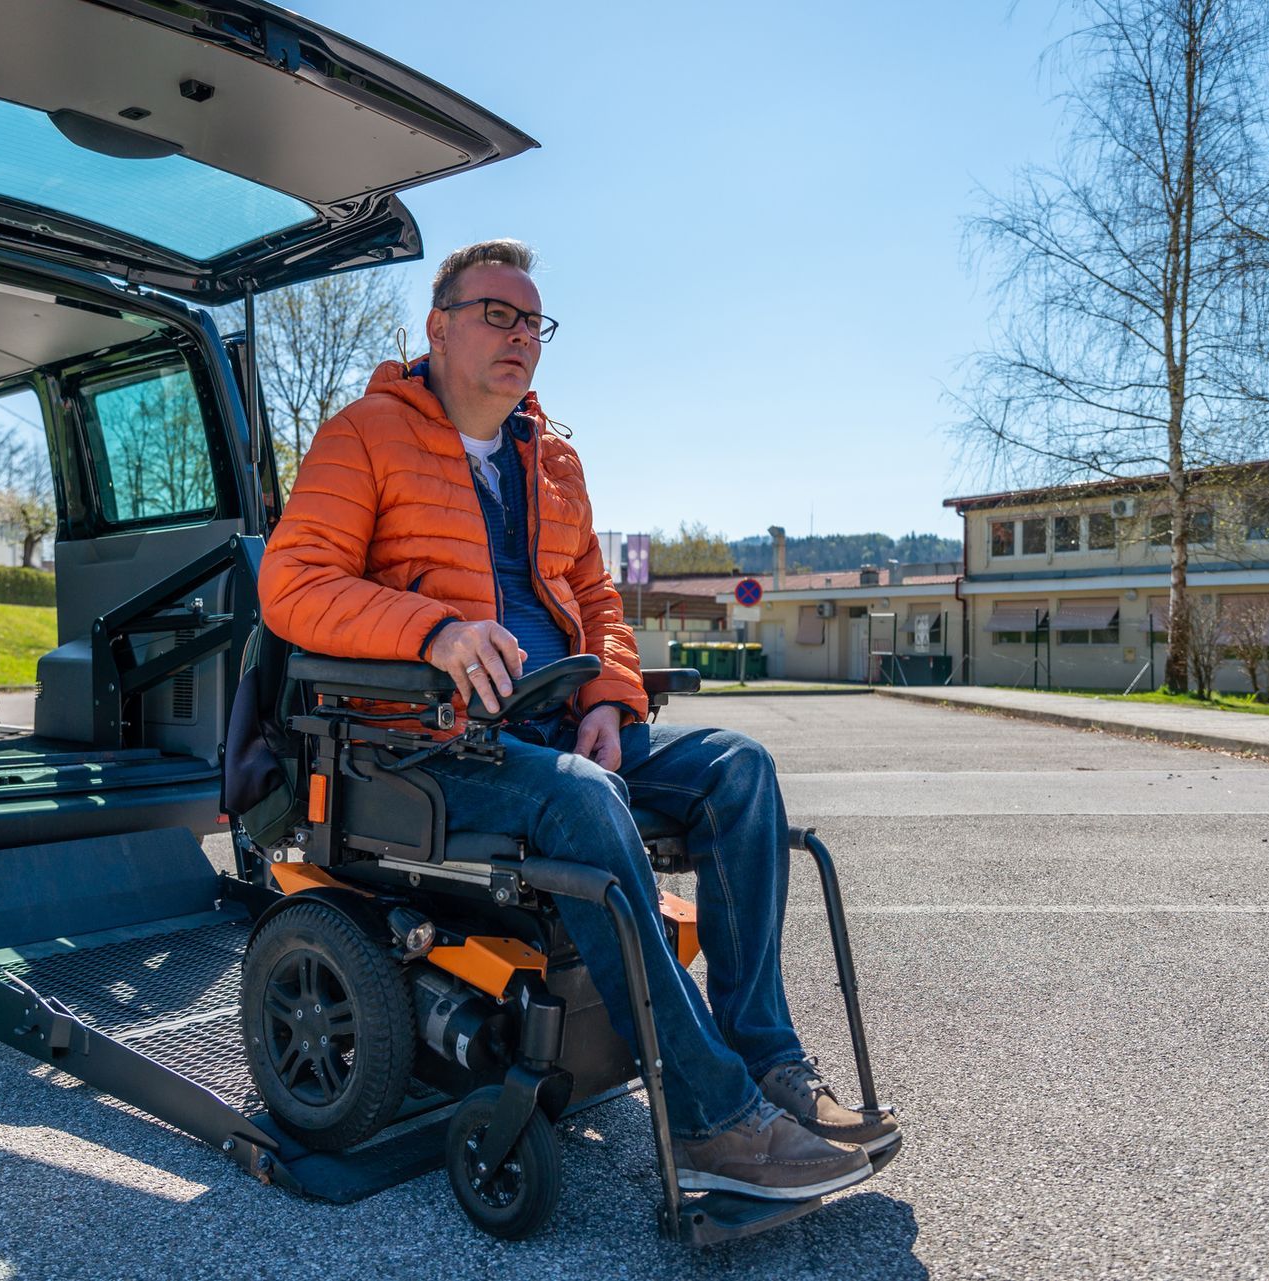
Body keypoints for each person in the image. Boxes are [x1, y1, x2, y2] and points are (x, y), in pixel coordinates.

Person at [256, 240, 898, 1201]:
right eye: (497, 314)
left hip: (561, 727)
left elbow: (597, 598)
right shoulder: (363, 436)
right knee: (589, 802)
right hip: (428, 746)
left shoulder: (552, 457)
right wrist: (432, 631)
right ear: (438, 326)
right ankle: (715, 1121)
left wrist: (609, 697)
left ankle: (767, 1063)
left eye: (533, 321)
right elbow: (293, 585)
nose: (521, 337)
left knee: (741, 768)